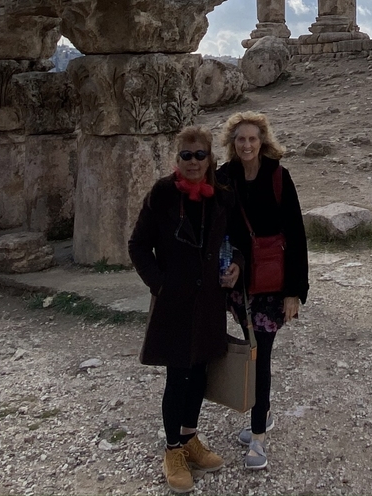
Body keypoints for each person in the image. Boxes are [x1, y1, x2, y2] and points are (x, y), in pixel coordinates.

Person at [128, 125, 240, 494]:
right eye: (186, 156)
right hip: (174, 302)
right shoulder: (162, 194)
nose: (193, 163)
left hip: (209, 301)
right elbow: (138, 245)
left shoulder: (221, 197)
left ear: (211, 158)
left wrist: (236, 265)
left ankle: (190, 437)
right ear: (176, 159)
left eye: (200, 155)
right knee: (178, 377)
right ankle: (173, 449)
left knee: (200, 373)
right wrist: (159, 283)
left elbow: (235, 242)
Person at [217, 110, 309, 471]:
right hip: (241, 284)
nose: (247, 144)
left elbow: (297, 236)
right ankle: (263, 415)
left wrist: (295, 292)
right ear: (232, 143)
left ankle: (258, 438)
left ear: (263, 140)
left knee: (260, 358)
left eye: (253, 138)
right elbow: (220, 230)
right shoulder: (225, 178)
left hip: (273, 286)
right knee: (252, 353)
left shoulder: (279, 177)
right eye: (240, 138)